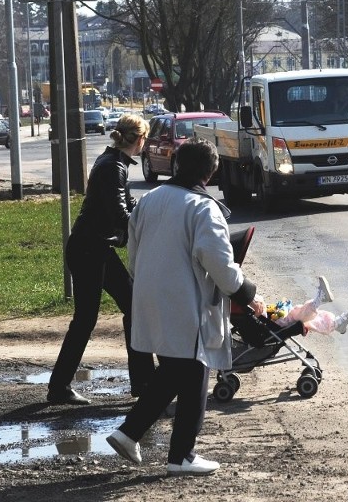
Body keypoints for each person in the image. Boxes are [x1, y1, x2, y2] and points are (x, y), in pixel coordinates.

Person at [106, 137, 265, 476]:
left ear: (177, 165)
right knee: (192, 370)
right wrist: (247, 293)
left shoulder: (151, 199)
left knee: (177, 372)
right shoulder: (203, 208)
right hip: (184, 303)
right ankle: (177, 454)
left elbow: (133, 251)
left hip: (148, 296)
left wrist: (145, 281)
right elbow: (219, 263)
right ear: (211, 173)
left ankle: (135, 436)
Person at [47, 113, 155, 405]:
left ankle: (144, 382)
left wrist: (148, 209)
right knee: (86, 319)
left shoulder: (113, 162)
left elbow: (124, 204)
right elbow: (120, 215)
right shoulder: (113, 167)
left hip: (93, 248)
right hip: (89, 251)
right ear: (139, 139)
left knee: (133, 308)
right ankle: (59, 387)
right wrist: (150, 224)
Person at [268, 276, 348, 335]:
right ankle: (318, 301)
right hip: (271, 324)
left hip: (269, 320)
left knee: (304, 318)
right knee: (295, 317)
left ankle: (335, 324)